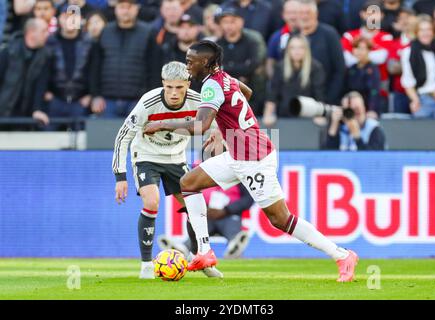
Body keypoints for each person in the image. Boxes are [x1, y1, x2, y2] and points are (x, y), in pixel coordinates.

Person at [143, 40, 359, 282]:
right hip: (238, 152)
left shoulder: (212, 87)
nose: (187, 66)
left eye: (190, 62)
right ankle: (204, 252)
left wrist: (162, 124)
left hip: (254, 158)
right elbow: (247, 93)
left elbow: (200, 125)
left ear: (205, 63)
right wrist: (227, 127)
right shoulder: (223, 78)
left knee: (281, 219)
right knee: (189, 183)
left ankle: (342, 255)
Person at [112, 61, 223, 279]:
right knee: (151, 202)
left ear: (188, 84)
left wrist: (217, 132)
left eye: (179, 88)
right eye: (169, 87)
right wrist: (120, 176)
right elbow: (122, 137)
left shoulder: (198, 101)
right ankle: (146, 264)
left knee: (195, 206)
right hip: (146, 156)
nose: (173, 93)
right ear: (163, 83)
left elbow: (219, 120)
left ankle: (198, 258)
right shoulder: (148, 102)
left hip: (176, 157)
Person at [90, 0, 159, 118]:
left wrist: (151, 100)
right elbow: (95, 66)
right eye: (122, 7)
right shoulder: (105, 32)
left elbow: (154, 68)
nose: (126, 11)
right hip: (107, 101)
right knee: (108, 136)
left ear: (136, 9)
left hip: (138, 101)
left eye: (129, 7)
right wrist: (95, 95)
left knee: (137, 136)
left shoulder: (148, 33)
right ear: (116, 9)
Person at [45, 7, 93, 130]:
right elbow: (43, 70)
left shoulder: (89, 42)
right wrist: (46, 92)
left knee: (83, 145)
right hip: (55, 100)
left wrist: (91, 95)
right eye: (66, 16)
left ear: (81, 19)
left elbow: (94, 70)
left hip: (81, 101)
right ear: (58, 19)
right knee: (48, 143)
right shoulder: (50, 42)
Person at [341, 0, 394, 111]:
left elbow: (382, 57)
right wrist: (369, 55)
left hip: (379, 93)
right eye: (369, 13)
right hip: (352, 92)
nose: (372, 17)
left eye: (376, 13)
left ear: (382, 16)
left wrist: (357, 54)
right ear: (362, 14)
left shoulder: (386, 37)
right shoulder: (349, 35)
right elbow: (347, 59)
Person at [263, 34, 325, 126]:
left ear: (306, 50)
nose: (297, 51)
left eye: (301, 47)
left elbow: (319, 94)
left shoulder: (316, 68)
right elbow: (273, 93)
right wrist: (267, 114)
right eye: (293, 48)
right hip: (284, 117)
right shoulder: (280, 67)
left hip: (308, 117)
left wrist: (320, 115)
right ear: (288, 50)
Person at [0, 18, 51, 126]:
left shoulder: (45, 56)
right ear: (31, 32)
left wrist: (37, 109)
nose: (47, 34)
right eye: (44, 31)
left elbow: (40, 86)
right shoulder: (8, 52)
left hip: (26, 117)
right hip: (3, 112)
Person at [297, 0, 346, 105]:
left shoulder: (330, 34)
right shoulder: (293, 36)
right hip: (298, 102)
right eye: (302, 13)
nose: (305, 17)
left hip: (326, 99)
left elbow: (340, 70)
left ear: (316, 14)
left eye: (308, 13)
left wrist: (329, 100)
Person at [401, 14, 435, 118]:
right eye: (422, 30)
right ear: (416, 32)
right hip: (422, 100)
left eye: (429, 29)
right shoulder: (409, 52)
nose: (426, 33)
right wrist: (415, 100)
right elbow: (407, 81)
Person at [387, 7, 416, 114]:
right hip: (400, 92)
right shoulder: (394, 43)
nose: (405, 21)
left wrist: (402, 64)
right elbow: (392, 68)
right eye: (401, 18)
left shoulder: (420, 42)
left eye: (407, 17)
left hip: (418, 92)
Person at [266, 0, 303, 79]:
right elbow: (270, 62)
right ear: (283, 15)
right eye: (289, 13)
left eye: (296, 12)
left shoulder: (309, 34)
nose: (292, 16)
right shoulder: (276, 37)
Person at [346, 37, 382, 117]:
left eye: (362, 48)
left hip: (367, 110)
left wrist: (372, 110)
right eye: (356, 48)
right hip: (352, 109)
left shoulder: (372, 69)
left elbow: (374, 91)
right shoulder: (352, 68)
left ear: (368, 50)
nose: (359, 51)